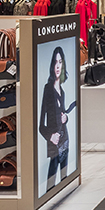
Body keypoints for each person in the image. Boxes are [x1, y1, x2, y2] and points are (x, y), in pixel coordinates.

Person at [39, 46, 73, 190]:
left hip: (65, 139)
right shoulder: (48, 89)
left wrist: (65, 118)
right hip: (55, 142)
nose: (58, 66)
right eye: (55, 62)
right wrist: (50, 136)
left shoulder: (62, 91)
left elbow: (61, 116)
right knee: (51, 183)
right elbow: (41, 123)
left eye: (60, 62)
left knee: (64, 178)